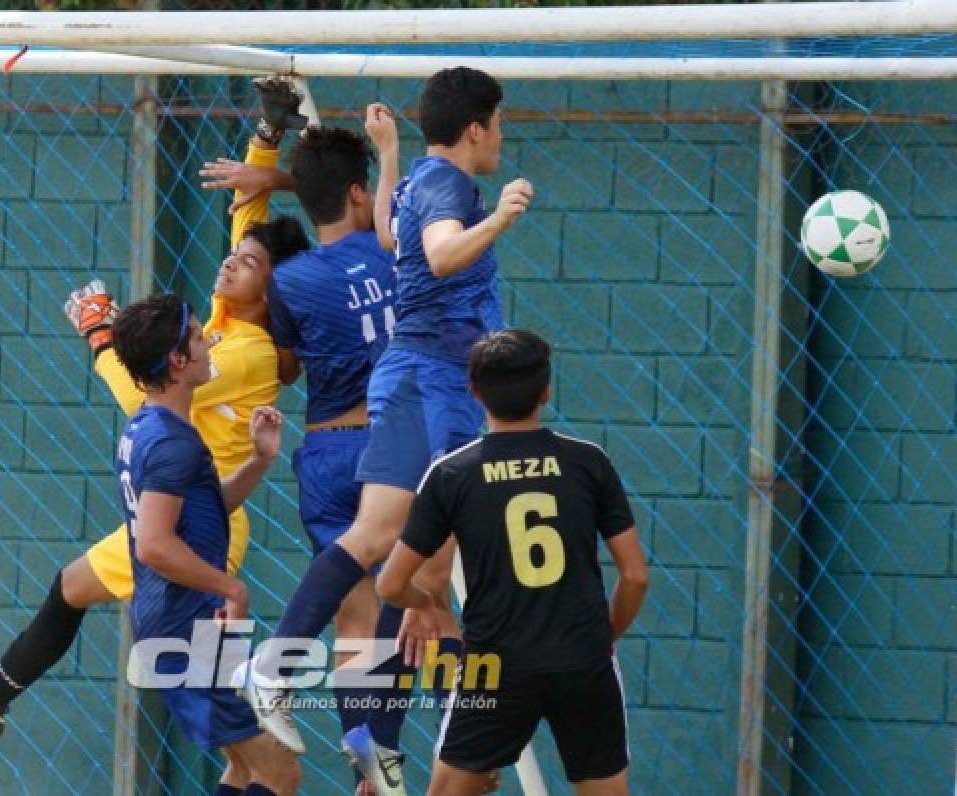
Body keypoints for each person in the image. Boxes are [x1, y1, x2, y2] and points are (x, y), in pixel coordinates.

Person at [0, 81, 309, 740]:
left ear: (275, 287)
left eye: (248, 263)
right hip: (179, 510)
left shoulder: (241, 353)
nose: (231, 261)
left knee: (242, 744)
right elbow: (248, 208)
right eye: (236, 255)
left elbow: (141, 392)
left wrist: (101, 334)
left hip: (198, 533)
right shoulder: (230, 315)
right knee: (69, 588)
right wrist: (267, 133)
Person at [237, 65, 533, 779]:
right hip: (427, 385)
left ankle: (387, 746)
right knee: (402, 556)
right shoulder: (454, 190)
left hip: (420, 388)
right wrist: (501, 217)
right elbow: (433, 252)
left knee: (422, 570)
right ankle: (286, 678)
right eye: (497, 123)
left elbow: (398, 241)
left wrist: (388, 151)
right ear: (475, 127)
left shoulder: (421, 188)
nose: (501, 136)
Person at [205, 106, 416, 796]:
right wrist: (381, 154)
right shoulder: (397, 248)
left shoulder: (291, 281)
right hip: (391, 447)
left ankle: (370, 762)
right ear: (363, 194)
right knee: (402, 612)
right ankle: (378, 757)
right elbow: (387, 199)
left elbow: (289, 366)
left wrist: (267, 176)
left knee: (358, 617)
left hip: (325, 454)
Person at [376, 329, 649, 796]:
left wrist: (431, 607)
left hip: (497, 664)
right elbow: (635, 575)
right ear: (546, 391)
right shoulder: (589, 462)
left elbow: (390, 584)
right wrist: (604, 636)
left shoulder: (451, 475)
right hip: (583, 660)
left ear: (474, 392)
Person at [110, 292, 298, 796]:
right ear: (177, 359)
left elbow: (206, 510)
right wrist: (230, 588)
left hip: (184, 623)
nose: (209, 339)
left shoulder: (151, 427)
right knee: (279, 773)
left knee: (243, 770)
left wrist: (259, 461)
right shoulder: (171, 442)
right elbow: (153, 545)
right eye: (197, 336)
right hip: (184, 627)